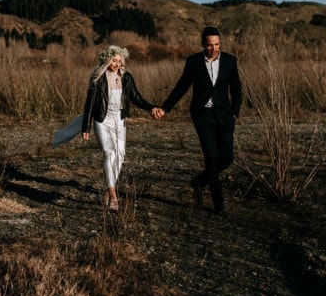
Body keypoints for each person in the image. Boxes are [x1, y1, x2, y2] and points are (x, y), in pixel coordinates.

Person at [152, 27, 242, 214]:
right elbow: (182, 86)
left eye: (216, 44)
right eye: (209, 45)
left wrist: (235, 112)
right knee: (211, 157)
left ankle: (199, 182)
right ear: (203, 44)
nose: (213, 48)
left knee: (227, 157)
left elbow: (236, 88)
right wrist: (165, 108)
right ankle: (219, 203)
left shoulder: (230, 61)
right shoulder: (193, 62)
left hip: (224, 115)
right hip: (203, 115)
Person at [81, 45, 163, 211]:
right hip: (102, 120)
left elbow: (136, 97)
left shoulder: (126, 77)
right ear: (107, 60)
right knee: (109, 153)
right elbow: (90, 104)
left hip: (120, 121)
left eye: (119, 61)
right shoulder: (98, 78)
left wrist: (151, 107)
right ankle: (113, 194)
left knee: (120, 155)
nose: (117, 64)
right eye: (114, 60)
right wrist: (86, 127)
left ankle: (107, 189)